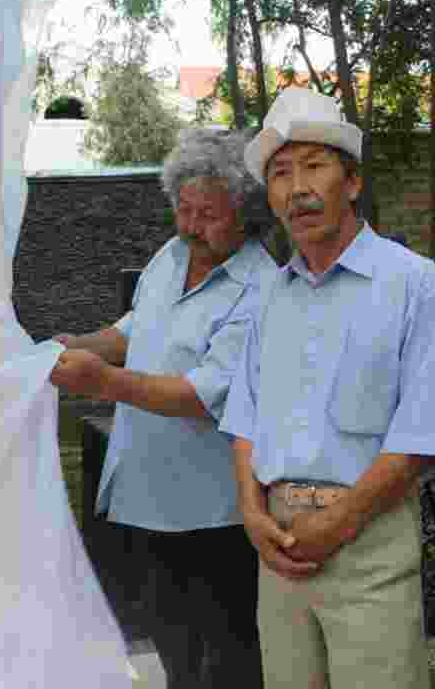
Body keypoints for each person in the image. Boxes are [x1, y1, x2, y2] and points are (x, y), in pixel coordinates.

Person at [220, 87, 435, 689]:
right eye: (280, 173)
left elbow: (424, 429)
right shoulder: (267, 299)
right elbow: (244, 419)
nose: (297, 188)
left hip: (367, 543)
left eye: (314, 166)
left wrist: (337, 522)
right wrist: (252, 513)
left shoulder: (412, 286)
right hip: (277, 548)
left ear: (352, 182)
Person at [49, 129, 273, 689]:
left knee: (226, 657)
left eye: (209, 215)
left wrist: (103, 382)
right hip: (146, 497)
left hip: (213, 512)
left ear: (245, 218)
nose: (191, 227)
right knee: (173, 647)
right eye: (184, 210)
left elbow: (202, 395)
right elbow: (131, 334)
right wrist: (72, 345)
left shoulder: (262, 289)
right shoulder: (171, 256)